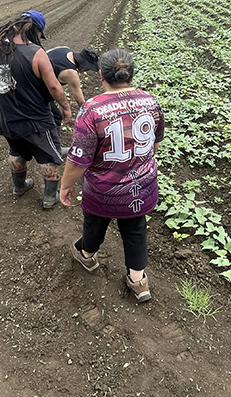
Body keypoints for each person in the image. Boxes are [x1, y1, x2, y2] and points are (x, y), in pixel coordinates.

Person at [59, 48, 165, 302]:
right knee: (136, 228)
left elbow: (78, 160)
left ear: (101, 76)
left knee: (95, 223)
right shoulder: (150, 102)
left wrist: (65, 185)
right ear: (131, 74)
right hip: (140, 187)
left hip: (103, 190)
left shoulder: (92, 110)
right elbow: (155, 142)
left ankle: (86, 255)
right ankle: (139, 281)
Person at [0, 10, 72, 209]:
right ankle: (50, 197)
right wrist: (65, 108)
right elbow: (55, 87)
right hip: (35, 119)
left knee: (16, 151)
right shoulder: (35, 53)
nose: (39, 40)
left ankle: (19, 187)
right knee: (48, 156)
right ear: (34, 30)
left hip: (6, 117)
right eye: (40, 35)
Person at [46, 46, 100, 130]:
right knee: (55, 118)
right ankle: (53, 141)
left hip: (29, 77)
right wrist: (91, 118)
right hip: (35, 90)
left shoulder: (65, 49)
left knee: (54, 115)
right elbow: (81, 102)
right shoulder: (71, 73)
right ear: (84, 66)